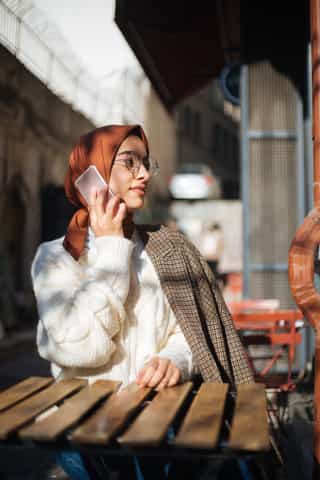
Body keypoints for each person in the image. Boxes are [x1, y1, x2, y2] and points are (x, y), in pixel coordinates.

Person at [31, 125, 253, 479]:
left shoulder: (167, 248)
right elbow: (81, 349)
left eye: (146, 163)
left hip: (165, 424)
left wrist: (176, 360)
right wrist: (110, 247)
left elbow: (193, 334)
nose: (145, 174)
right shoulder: (55, 258)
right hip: (85, 430)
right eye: (129, 162)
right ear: (94, 173)